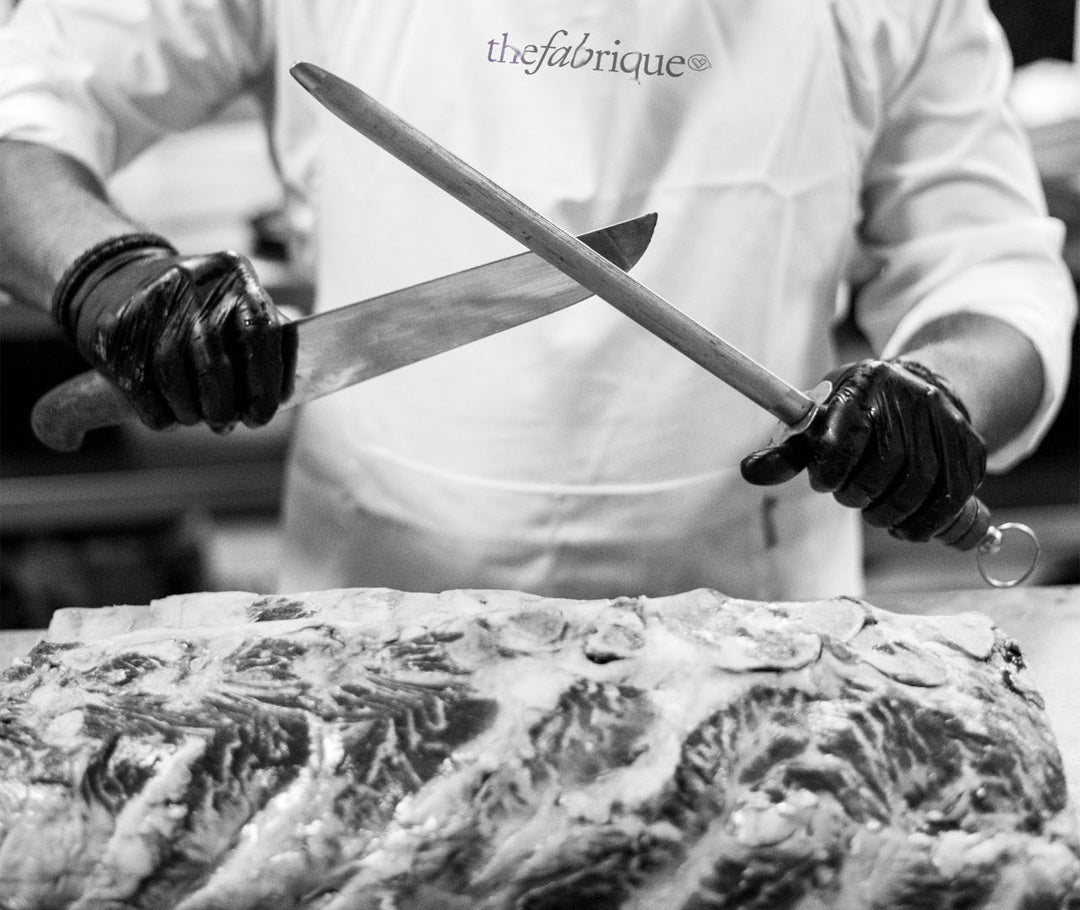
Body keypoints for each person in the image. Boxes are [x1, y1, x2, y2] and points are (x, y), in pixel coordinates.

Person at [0, 0, 1074, 602]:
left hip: (755, 641)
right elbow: (23, 111)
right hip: (370, 621)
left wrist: (942, 394)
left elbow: (989, 271)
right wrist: (116, 280)